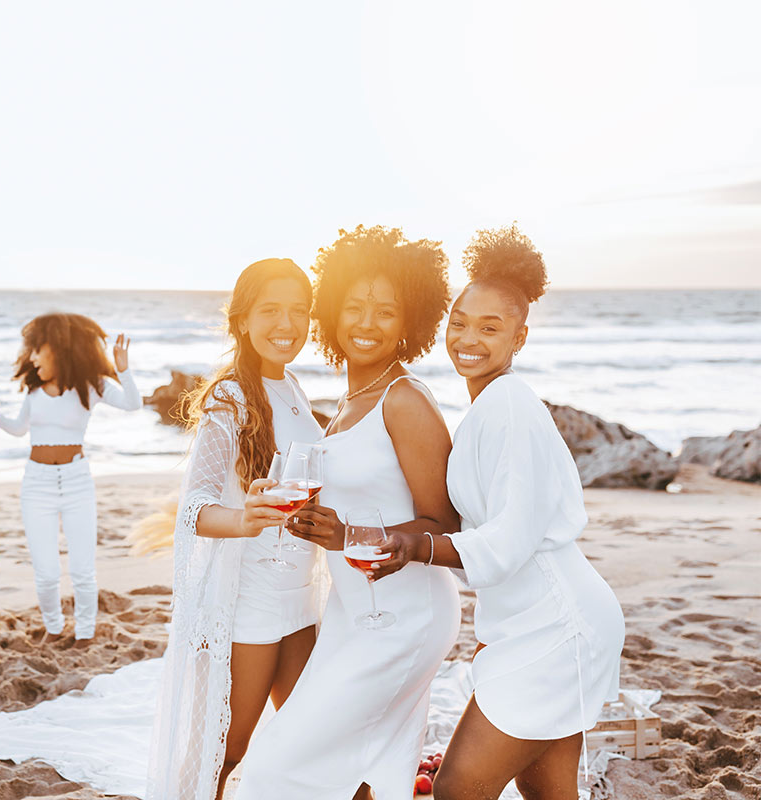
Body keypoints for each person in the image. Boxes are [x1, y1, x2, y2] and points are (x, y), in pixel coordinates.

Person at [236, 225, 461, 800]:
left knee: (273, 771)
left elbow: (446, 523)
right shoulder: (345, 404)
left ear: (409, 322)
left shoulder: (404, 401)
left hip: (404, 618)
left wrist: (346, 533)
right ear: (332, 313)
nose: (366, 322)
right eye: (354, 306)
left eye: (385, 311)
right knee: (365, 773)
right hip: (352, 610)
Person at [422, 226, 625, 800]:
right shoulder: (491, 405)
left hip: (558, 628)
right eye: (458, 322)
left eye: (490, 327)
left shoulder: (509, 407)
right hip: (540, 623)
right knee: (549, 794)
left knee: (457, 789)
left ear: (521, 336)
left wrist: (415, 548)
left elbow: (507, 544)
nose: (468, 338)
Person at [147, 258, 326, 800]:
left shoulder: (292, 386)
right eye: (271, 310)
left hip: (302, 596)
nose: (287, 324)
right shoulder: (230, 397)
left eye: (299, 311)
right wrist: (245, 520)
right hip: (251, 600)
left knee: (316, 738)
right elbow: (194, 509)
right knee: (226, 749)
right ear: (242, 319)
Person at [0, 312, 141, 643]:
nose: (31, 357)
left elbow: (133, 403)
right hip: (37, 485)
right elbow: (18, 429)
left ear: (57, 348)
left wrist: (123, 369)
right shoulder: (33, 392)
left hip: (76, 482)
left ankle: (85, 633)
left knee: (82, 572)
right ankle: (54, 628)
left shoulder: (92, 386)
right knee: (46, 575)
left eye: (36, 349)